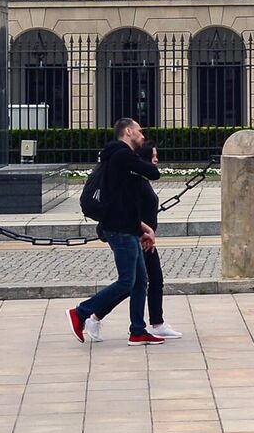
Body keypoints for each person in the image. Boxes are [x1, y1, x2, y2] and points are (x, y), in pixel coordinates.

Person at [70, 119, 165, 345]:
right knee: (126, 281)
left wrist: (143, 228)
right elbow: (153, 173)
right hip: (119, 230)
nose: (142, 136)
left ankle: (137, 331)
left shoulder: (119, 158)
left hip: (127, 227)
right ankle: (81, 312)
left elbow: (124, 201)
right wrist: (146, 156)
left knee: (140, 281)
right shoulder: (122, 155)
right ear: (128, 131)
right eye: (140, 131)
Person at [134, 139, 181, 340]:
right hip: (140, 239)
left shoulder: (142, 180)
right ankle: (91, 314)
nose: (156, 160)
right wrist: (142, 232)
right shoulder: (136, 182)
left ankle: (157, 322)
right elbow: (132, 211)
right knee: (131, 283)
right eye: (152, 157)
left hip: (146, 239)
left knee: (151, 280)